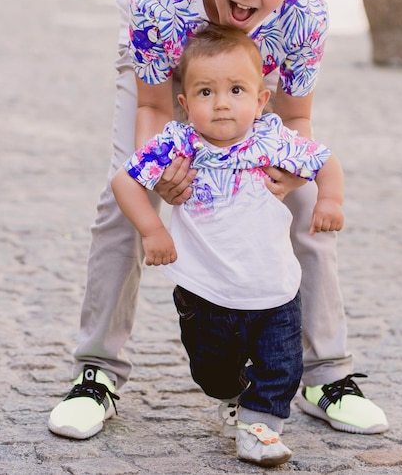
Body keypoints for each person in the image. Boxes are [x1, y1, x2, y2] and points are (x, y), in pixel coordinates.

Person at [48, 0, 388, 441]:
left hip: (254, 84)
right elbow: (155, 107)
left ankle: (324, 375)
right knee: (121, 204)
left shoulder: (304, 15)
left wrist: (287, 175)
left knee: (303, 208)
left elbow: (297, 117)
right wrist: (159, 181)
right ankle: (98, 371)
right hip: (166, 70)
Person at [111, 23, 345, 466]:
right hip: (206, 291)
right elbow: (124, 181)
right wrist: (152, 229)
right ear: (184, 103)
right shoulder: (179, 143)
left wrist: (329, 199)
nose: (221, 103)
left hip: (274, 288)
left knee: (282, 367)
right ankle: (235, 395)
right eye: (205, 92)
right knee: (213, 373)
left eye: (237, 90)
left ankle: (261, 426)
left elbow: (324, 159)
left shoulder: (271, 139)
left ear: (260, 99)